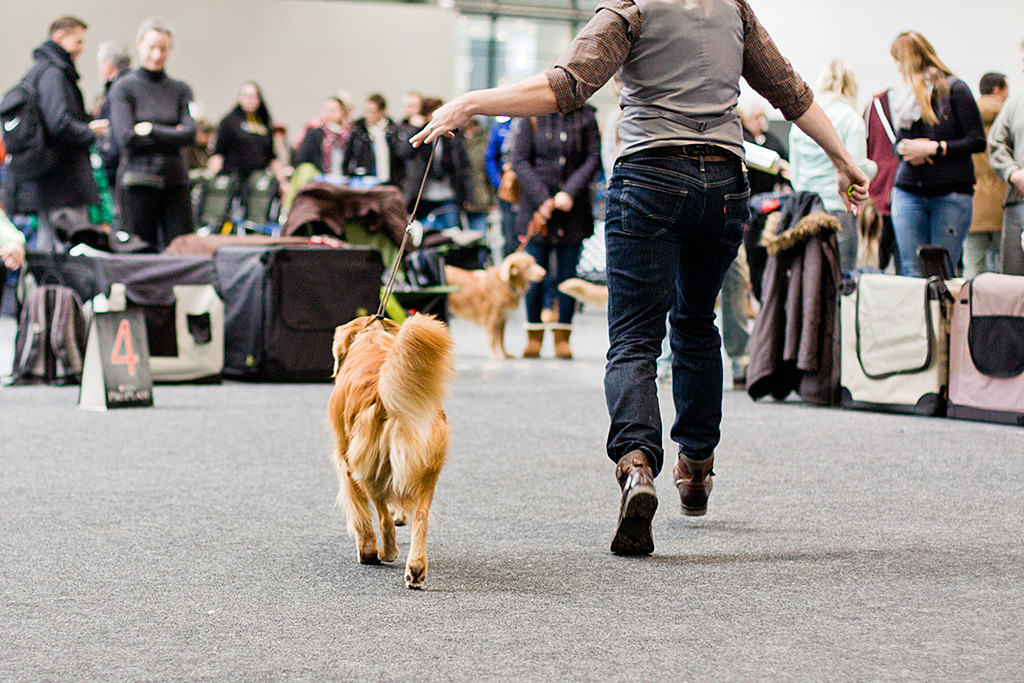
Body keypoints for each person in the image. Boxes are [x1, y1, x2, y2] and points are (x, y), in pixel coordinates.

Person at [413, 0, 868, 556]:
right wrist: (844, 158)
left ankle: (636, 467)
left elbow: (567, 86)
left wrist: (472, 102)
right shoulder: (734, 10)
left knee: (633, 338)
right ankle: (696, 465)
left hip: (649, 176)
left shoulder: (633, 8)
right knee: (697, 322)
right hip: (724, 185)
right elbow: (791, 93)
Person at [4, 16, 106, 251]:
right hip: (61, 182)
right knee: (63, 247)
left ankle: (50, 289)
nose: (81, 48)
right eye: (78, 41)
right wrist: (89, 131)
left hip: (47, 179)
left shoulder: (38, 71)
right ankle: (57, 289)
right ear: (60, 37)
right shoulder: (54, 73)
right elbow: (59, 123)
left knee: (49, 244)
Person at [889, 31, 986, 277]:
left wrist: (936, 148)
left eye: (898, 60)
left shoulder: (955, 90)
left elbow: (977, 141)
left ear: (909, 60)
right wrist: (904, 150)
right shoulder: (904, 96)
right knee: (911, 271)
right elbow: (898, 143)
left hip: (950, 194)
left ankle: (943, 317)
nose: (897, 68)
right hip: (908, 191)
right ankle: (917, 317)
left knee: (942, 272)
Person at [512, 107, 602, 360]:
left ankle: (563, 337)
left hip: (573, 210)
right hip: (537, 210)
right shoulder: (530, 115)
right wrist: (543, 198)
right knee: (534, 276)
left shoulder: (586, 116)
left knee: (567, 276)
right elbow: (519, 160)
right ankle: (533, 337)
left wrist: (569, 192)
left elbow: (593, 159)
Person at [108, 18, 197, 251]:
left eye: (163, 49)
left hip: (175, 180)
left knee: (183, 248)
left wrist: (150, 129)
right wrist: (172, 133)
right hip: (138, 181)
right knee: (140, 251)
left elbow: (190, 134)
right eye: (151, 47)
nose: (157, 55)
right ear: (139, 44)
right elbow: (126, 137)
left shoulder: (181, 90)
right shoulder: (124, 87)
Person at [789, 59, 877, 273]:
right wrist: (874, 167)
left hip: (805, 212)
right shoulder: (851, 119)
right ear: (851, 86)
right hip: (838, 211)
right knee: (841, 284)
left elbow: (795, 177)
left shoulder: (801, 122)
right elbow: (855, 169)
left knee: (807, 284)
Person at [208, 81, 290, 206]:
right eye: (245, 96)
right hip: (234, 178)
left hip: (258, 181)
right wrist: (212, 178)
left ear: (259, 99)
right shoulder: (229, 121)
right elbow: (218, 152)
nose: (249, 100)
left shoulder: (265, 123)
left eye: (252, 96)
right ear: (240, 98)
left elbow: (272, 156)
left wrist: (282, 182)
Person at [399, 97, 472, 228]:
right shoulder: (418, 131)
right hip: (423, 196)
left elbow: (463, 165)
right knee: (424, 234)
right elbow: (403, 152)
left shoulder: (452, 135)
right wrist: (416, 128)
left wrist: (466, 194)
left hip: (449, 195)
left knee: (452, 233)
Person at [964, 73, 1009, 278]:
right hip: (1005, 202)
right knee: (1008, 266)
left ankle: (972, 308)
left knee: (973, 264)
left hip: (974, 202)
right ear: (997, 90)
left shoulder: (967, 117)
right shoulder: (1010, 115)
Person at [987, 40, 1024, 276]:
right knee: (1013, 284)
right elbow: (996, 143)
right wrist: (1012, 172)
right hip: (1019, 204)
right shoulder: (1016, 103)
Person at [864, 87, 902, 272]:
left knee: (876, 264)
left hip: (879, 191)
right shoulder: (875, 107)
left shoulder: (872, 108)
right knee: (907, 265)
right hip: (902, 191)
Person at [342, 93, 405, 188]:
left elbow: (400, 159)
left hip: (388, 183)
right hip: (364, 183)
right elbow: (348, 156)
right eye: (366, 111)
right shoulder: (358, 130)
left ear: (382, 112)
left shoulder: (394, 132)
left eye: (372, 112)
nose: (368, 115)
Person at [95, 40, 131, 188]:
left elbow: (113, 133)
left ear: (108, 64)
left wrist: (105, 163)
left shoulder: (116, 91)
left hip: (116, 169)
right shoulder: (132, 86)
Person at [484, 116, 518, 257]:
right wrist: (498, 182)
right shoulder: (502, 126)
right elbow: (491, 156)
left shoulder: (535, 121)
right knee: (509, 231)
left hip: (530, 188)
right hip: (508, 188)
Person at [293, 97, 351, 176]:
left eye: (333, 110)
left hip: (344, 180)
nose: (329, 114)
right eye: (327, 110)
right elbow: (301, 159)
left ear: (342, 112)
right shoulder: (314, 134)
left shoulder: (350, 135)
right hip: (319, 181)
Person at [740, 102, 789, 195]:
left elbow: (785, 159)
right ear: (746, 120)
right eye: (757, 117)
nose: (761, 121)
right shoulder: (741, 138)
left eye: (763, 117)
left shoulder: (771, 139)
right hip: (749, 192)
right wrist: (778, 163)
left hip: (771, 193)